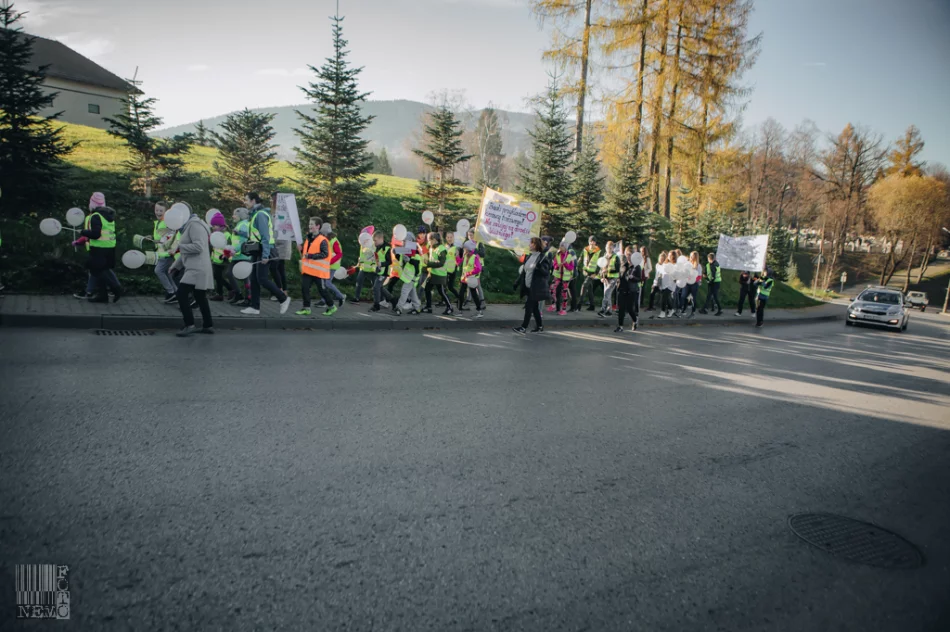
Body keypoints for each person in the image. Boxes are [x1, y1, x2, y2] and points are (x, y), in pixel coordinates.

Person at [241, 191, 291, 315]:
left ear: (253, 201)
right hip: (258, 250)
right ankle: (254, 307)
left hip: (264, 250)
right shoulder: (255, 214)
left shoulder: (260, 215)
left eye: (246, 200)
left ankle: (283, 298)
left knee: (262, 279)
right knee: (254, 279)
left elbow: (265, 236)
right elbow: (255, 235)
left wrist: (265, 255)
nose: (245, 202)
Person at [169, 206, 214, 336]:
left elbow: (198, 247)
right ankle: (208, 325)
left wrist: (179, 247)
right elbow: (188, 251)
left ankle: (189, 324)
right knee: (200, 296)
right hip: (197, 266)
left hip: (197, 268)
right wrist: (176, 265)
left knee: (181, 294)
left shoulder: (194, 225)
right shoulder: (191, 224)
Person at [73, 195, 122, 304]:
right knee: (100, 270)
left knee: (95, 269)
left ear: (92, 204)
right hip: (109, 248)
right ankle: (102, 295)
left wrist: (83, 232)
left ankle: (116, 288)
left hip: (99, 248)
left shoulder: (95, 216)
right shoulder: (108, 215)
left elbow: (96, 234)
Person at [296, 217, 335, 316]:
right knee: (304, 288)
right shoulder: (309, 238)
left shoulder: (322, 240)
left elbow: (325, 254)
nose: (310, 226)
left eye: (312, 224)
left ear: (318, 226)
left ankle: (331, 306)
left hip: (318, 271)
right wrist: (301, 250)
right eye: (309, 224)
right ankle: (306, 308)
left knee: (322, 290)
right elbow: (306, 253)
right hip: (308, 270)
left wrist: (311, 256)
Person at [513, 237, 552, 334]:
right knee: (534, 308)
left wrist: (540, 268)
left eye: (531, 243)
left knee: (529, 306)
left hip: (536, 287)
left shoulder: (543, 258)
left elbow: (546, 273)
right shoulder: (529, 256)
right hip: (527, 286)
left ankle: (523, 327)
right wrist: (517, 282)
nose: (529, 245)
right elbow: (524, 272)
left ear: (536, 245)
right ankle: (539, 326)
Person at [422, 232, 454, 315]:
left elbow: (441, 263)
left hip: (440, 275)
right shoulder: (432, 247)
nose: (428, 242)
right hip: (432, 273)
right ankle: (428, 307)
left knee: (441, 292)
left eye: (429, 240)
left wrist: (428, 263)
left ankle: (450, 307)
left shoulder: (441, 249)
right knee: (427, 289)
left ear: (435, 240)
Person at [151, 201, 178, 302]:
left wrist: (157, 241)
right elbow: (159, 236)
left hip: (167, 253)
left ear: (166, 212)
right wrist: (152, 238)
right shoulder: (158, 222)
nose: (158, 212)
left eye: (161, 211)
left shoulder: (167, 223)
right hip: (162, 252)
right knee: (166, 272)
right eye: (156, 210)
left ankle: (171, 292)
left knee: (158, 271)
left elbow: (169, 238)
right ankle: (175, 292)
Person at [615, 246, 642, 333]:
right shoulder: (624, 265)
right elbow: (620, 275)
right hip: (622, 289)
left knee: (630, 309)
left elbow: (639, 278)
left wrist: (633, 277)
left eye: (630, 255)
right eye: (627, 255)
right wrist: (618, 280)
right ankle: (620, 326)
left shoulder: (637, 267)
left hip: (631, 290)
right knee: (621, 309)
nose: (628, 257)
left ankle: (634, 320)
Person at [394, 233, 422, 315]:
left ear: (410, 241)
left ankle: (399, 308)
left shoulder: (415, 251)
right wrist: (397, 254)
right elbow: (400, 257)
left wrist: (409, 260)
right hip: (409, 276)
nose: (403, 242)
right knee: (412, 292)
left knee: (404, 291)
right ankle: (417, 307)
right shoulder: (408, 250)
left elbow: (416, 264)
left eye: (404, 241)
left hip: (411, 277)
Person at [208, 211, 233, 301]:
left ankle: (229, 289)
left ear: (220, 225)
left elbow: (229, 247)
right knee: (217, 277)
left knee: (218, 277)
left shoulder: (226, 235)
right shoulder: (215, 234)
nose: (213, 227)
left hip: (222, 259)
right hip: (215, 259)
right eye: (213, 226)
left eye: (215, 226)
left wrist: (225, 255)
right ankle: (221, 293)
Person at [228, 208, 251, 305]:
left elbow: (244, 241)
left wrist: (234, 250)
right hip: (237, 255)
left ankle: (249, 298)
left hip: (243, 255)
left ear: (241, 216)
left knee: (246, 277)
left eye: (235, 215)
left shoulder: (244, 225)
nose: (233, 216)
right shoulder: (240, 224)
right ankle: (239, 294)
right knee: (229, 274)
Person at [460, 229, 487, 310]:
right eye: (468, 235)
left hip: (477, 267)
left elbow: (483, 254)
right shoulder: (467, 244)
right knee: (471, 284)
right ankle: (471, 301)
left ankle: (480, 302)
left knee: (476, 285)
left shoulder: (479, 243)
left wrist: (476, 251)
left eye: (471, 235)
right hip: (468, 268)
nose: (470, 237)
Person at [459, 240, 485, 317]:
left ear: (468, 248)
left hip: (470, 278)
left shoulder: (475, 256)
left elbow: (478, 268)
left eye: (465, 248)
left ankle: (479, 311)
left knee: (474, 294)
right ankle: (460, 311)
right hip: (464, 279)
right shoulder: (466, 255)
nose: (464, 249)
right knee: (461, 294)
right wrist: (458, 257)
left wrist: (469, 273)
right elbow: (460, 263)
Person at [549, 241, 576, 315]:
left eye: (562, 246)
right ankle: (554, 304)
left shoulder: (569, 256)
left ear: (565, 247)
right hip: (557, 276)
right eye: (560, 246)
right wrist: (558, 266)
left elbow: (571, 267)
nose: (560, 247)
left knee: (564, 293)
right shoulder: (557, 255)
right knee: (552, 289)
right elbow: (554, 264)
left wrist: (565, 265)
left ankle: (564, 309)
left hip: (565, 278)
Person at [370, 231, 394, 313]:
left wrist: (382, 264)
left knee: (376, 287)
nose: (374, 242)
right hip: (378, 271)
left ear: (381, 239)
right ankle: (394, 300)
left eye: (375, 240)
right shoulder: (377, 247)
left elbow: (390, 261)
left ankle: (376, 305)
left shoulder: (387, 248)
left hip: (384, 272)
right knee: (380, 288)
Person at [322, 227, 346, 307]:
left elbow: (339, 254)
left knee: (327, 283)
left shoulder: (334, 241)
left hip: (332, 265)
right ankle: (324, 300)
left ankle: (341, 296)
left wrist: (329, 262)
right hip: (328, 265)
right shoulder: (328, 240)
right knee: (324, 283)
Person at [351, 233, 377, 304]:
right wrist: (359, 262)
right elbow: (361, 255)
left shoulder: (373, 245)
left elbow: (374, 255)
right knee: (359, 282)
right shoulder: (362, 245)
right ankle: (356, 298)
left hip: (372, 268)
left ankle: (379, 300)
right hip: (363, 267)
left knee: (376, 286)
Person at [598, 241, 620, 318]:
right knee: (608, 295)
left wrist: (608, 270)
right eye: (607, 247)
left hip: (613, 279)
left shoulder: (616, 257)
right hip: (606, 278)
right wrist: (601, 277)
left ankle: (603, 309)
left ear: (613, 248)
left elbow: (617, 269)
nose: (609, 249)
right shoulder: (604, 256)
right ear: (605, 248)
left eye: (610, 248)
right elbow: (601, 268)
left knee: (607, 293)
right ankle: (609, 311)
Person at [579, 236, 601, 311]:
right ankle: (592, 306)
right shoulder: (585, 249)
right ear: (589, 242)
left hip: (593, 273)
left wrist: (596, 273)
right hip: (586, 272)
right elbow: (581, 259)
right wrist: (579, 267)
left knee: (584, 286)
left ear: (595, 243)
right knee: (590, 289)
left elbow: (601, 263)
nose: (592, 243)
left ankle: (579, 305)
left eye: (593, 241)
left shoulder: (599, 251)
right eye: (590, 241)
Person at [442, 231, 461, 306]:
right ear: (446, 238)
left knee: (450, 287)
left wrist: (457, 256)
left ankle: (459, 298)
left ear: (453, 238)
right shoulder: (444, 247)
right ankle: (444, 301)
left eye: (451, 237)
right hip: (444, 270)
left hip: (452, 270)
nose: (449, 239)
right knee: (443, 286)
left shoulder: (455, 248)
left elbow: (459, 260)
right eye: (448, 237)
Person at [681, 251, 702, 318]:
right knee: (684, 296)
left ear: (695, 257)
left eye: (692, 256)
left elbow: (699, 276)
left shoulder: (698, 266)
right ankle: (683, 309)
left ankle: (693, 312)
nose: (691, 257)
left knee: (693, 298)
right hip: (687, 283)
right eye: (690, 256)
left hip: (694, 284)